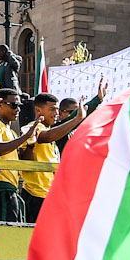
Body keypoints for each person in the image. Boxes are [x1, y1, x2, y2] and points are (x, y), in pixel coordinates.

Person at [18, 94, 82, 222]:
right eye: (52, 109)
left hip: (50, 195)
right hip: (35, 195)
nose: (56, 113)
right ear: (38, 110)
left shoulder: (50, 130)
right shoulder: (34, 127)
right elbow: (45, 137)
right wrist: (77, 119)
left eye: (57, 109)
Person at [0, 92, 36, 223]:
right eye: (14, 105)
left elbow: (23, 161)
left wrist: (30, 144)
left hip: (10, 187)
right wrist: (24, 137)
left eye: (19, 105)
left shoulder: (12, 132)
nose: (18, 109)